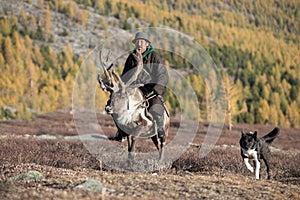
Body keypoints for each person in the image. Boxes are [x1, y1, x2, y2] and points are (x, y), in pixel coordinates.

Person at [107, 32, 168, 141]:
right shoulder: (131, 57)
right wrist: (120, 88)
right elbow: (125, 75)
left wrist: (156, 89)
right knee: (113, 104)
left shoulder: (153, 56)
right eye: (137, 42)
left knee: (155, 104)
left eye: (142, 42)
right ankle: (121, 132)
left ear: (147, 44)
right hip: (133, 88)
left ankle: (159, 128)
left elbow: (162, 75)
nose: (139, 44)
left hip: (150, 88)